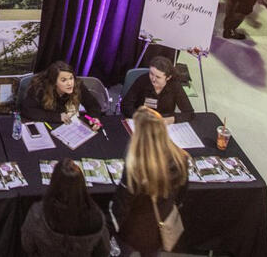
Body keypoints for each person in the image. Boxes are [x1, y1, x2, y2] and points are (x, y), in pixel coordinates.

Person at [112, 106, 189, 257]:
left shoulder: (136, 169)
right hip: (159, 226)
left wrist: (110, 227)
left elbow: (122, 205)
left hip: (132, 230)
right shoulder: (181, 159)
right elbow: (182, 192)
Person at [21, 158, 110, 257]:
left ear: (53, 182)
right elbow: (104, 251)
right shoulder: (95, 217)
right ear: (82, 185)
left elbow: (27, 245)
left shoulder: (38, 213)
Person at [20, 61, 103, 127]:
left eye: (71, 78)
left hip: (67, 125)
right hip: (47, 123)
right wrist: (57, 117)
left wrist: (94, 117)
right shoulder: (40, 88)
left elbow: (93, 105)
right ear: (54, 82)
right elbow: (27, 110)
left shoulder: (77, 85)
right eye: (64, 80)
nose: (70, 83)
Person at [121, 57, 193, 123]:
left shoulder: (175, 86)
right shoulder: (142, 80)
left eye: (158, 77)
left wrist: (170, 120)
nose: (153, 79)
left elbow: (189, 113)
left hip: (164, 121)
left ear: (168, 77)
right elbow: (125, 105)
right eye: (151, 74)